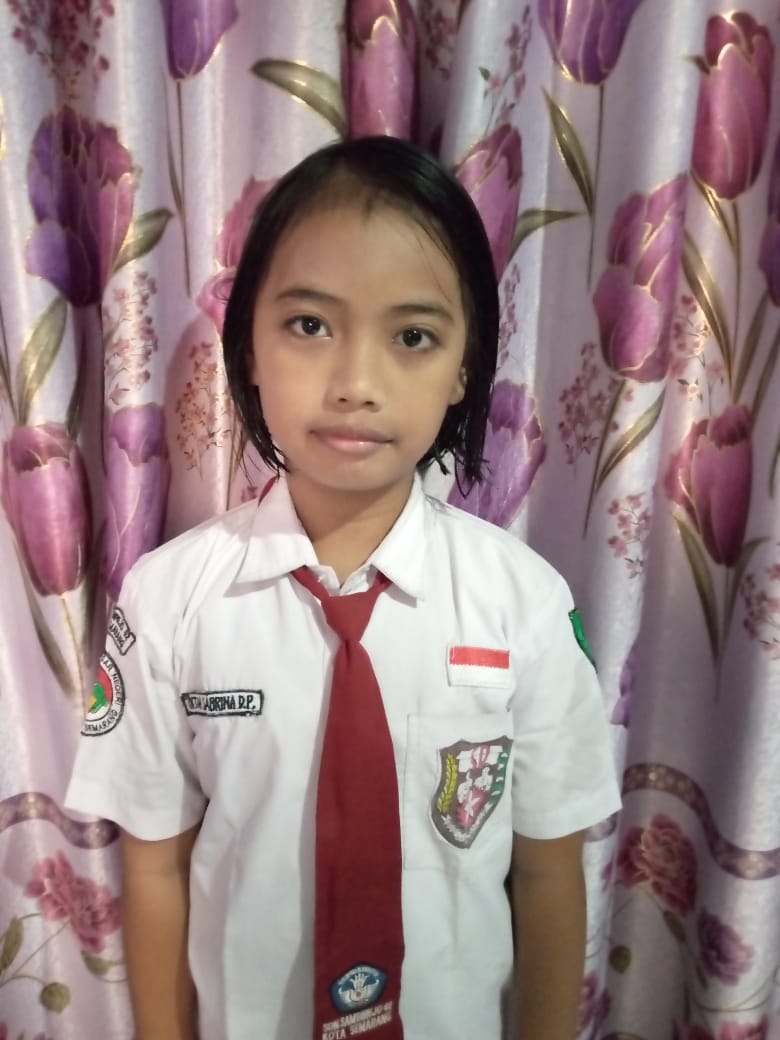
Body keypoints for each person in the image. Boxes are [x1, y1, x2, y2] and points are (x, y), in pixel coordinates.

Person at [66, 136, 621, 1040]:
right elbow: (156, 866)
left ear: (465, 368)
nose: (357, 385)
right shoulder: (169, 602)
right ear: (248, 345)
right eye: (310, 326)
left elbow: (549, 872)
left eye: (413, 337)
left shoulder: (525, 605)